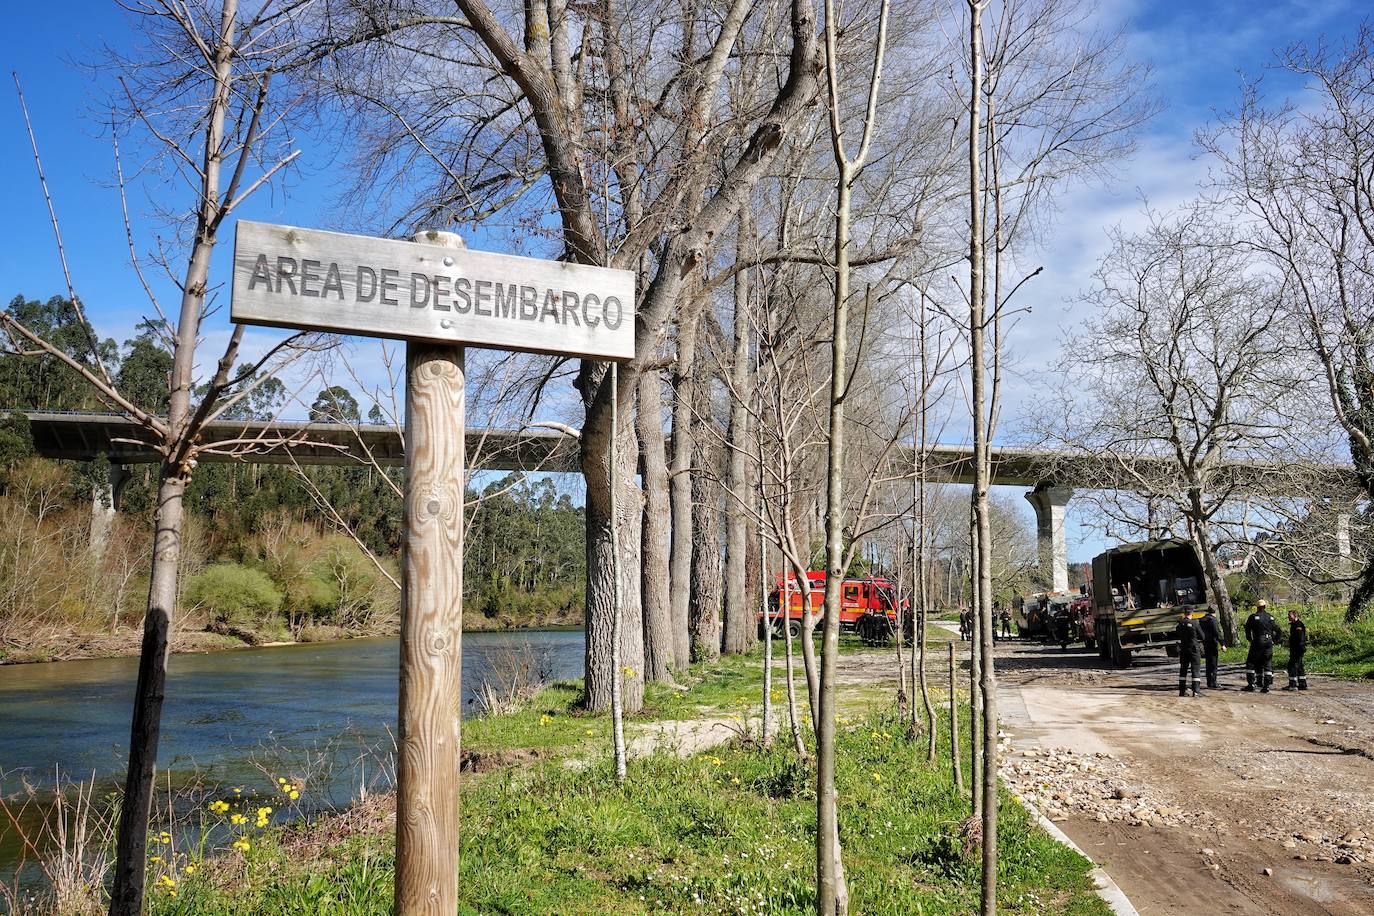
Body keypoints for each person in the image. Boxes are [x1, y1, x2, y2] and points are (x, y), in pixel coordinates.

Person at [1243, 599, 1280, 693]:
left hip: (1257, 641)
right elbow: (1279, 630)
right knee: (1267, 663)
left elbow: (1247, 630)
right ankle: (1266, 686)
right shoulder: (1270, 617)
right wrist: (1275, 640)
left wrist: (1250, 639)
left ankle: (1251, 685)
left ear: (1257, 607)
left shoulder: (1253, 617)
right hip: (1268, 642)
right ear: (1265, 607)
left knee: (1251, 662)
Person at [1173, 609, 1204, 697]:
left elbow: (1177, 633)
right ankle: (1196, 691)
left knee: (1183, 670)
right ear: (1192, 613)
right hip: (1193, 649)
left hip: (1183, 649)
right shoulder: (1195, 623)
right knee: (1195, 669)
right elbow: (1202, 636)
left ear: (1184, 614)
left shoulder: (1180, 624)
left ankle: (1182, 691)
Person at [1198, 606, 1226, 689]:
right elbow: (1217, 632)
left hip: (1205, 642)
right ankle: (1213, 682)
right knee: (1213, 663)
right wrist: (1222, 644)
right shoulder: (1212, 620)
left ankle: (1209, 681)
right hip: (1212, 643)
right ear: (1215, 612)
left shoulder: (1202, 619)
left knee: (1208, 662)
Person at [1284, 608, 1309, 691]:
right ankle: (1302, 684)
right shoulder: (1293, 624)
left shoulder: (1299, 625)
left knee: (1292, 666)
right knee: (1299, 666)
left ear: (1295, 615)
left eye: (1289, 615)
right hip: (1295, 648)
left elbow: (1300, 638)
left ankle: (1293, 685)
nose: (1288, 617)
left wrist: (1296, 646)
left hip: (1297, 649)